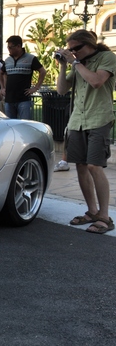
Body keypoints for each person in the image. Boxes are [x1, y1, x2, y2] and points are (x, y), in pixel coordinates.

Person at [56, 29, 116, 234]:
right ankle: (92, 211)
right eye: (71, 49)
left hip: (98, 118)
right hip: (77, 121)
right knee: (81, 166)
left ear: (90, 43)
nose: (73, 52)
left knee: (94, 166)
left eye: (77, 48)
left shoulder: (106, 57)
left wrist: (75, 63)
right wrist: (63, 66)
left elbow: (96, 81)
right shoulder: (77, 64)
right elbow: (62, 90)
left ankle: (105, 216)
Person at [0, 35, 46, 119]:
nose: (9, 49)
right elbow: (1, 73)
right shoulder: (7, 60)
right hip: (9, 99)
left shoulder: (31, 58)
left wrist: (36, 87)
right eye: (8, 47)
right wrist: (2, 88)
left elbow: (42, 71)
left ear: (18, 46)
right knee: (10, 125)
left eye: (11, 47)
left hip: (23, 99)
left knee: (25, 124)